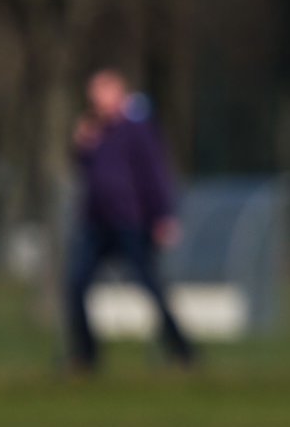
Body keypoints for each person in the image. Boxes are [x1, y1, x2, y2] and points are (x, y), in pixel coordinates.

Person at [66, 68, 194, 371]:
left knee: (151, 286)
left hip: (130, 221)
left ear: (118, 93)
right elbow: (85, 171)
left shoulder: (137, 128)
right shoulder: (95, 131)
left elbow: (154, 174)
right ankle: (85, 356)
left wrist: (162, 216)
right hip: (96, 223)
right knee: (76, 284)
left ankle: (183, 350)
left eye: (102, 92)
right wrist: (82, 145)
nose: (97, 100)